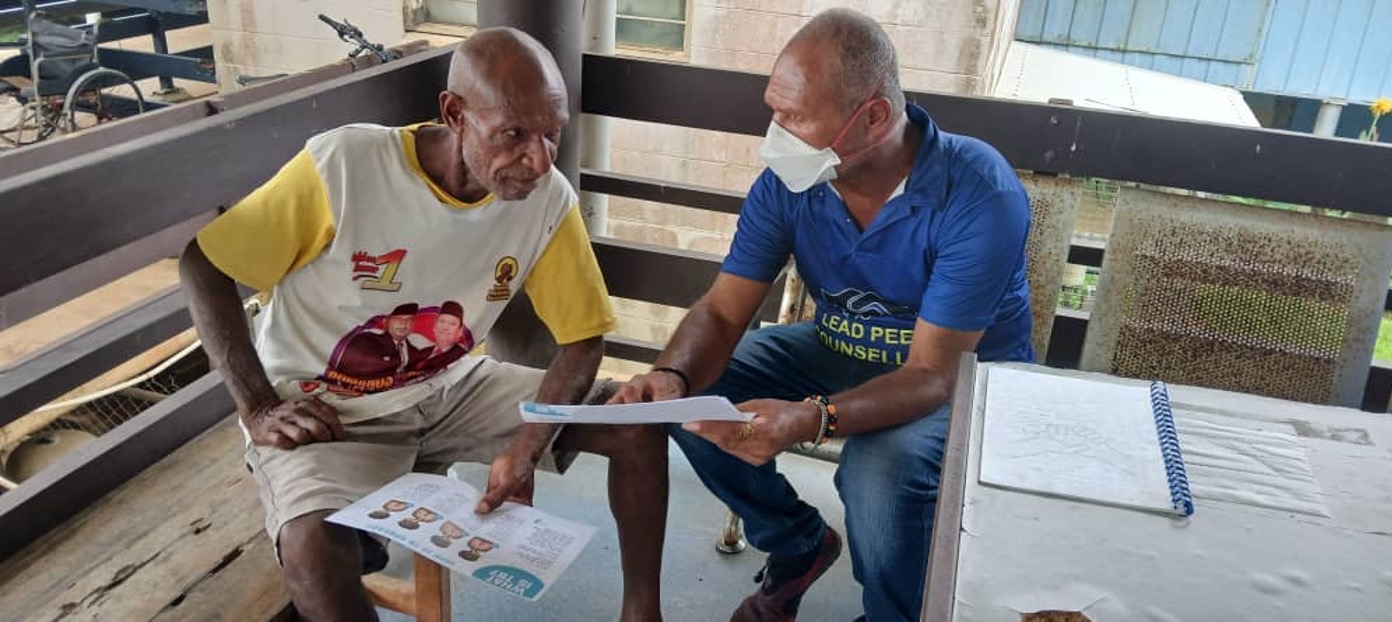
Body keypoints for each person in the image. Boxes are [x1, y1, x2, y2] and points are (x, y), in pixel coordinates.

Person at [179, 28, 667, 622]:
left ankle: (643, 613)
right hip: (328, 406)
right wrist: (257, 405)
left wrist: (526, 447)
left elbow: (583, 340)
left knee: (636, 424)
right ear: (454, 113)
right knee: (310, 549)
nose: (538, 159)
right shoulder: (346, 166)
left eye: (552, 133)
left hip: (451, 385)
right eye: (514, 134)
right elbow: (205, 265)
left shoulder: (546, 198)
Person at [609, 8, 1033, 622]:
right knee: (696, 399)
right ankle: (797, 544)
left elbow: (931, 376)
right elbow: (724, 313)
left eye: (795, 117)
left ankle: (896, 614)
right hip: (840, 348)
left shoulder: (976, 192)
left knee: (877, 473)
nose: (774, 134)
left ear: (875, 117)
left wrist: (813, 418)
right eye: (773, 110)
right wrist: (672, 377)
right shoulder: (790, 183)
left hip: (965, 379)